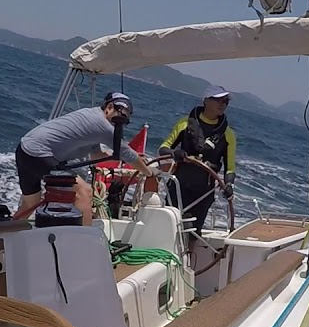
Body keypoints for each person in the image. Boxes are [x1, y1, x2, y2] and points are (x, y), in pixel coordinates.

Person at [15, 92, 156, 224]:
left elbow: (97, 155)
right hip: (40, 155)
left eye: (124, 121)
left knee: (31, 203)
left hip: (25, 151)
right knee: (84, 192)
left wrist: (123, 159)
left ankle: (9, 230)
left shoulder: (92, 117)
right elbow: (129, 155)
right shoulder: (103, 127)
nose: (120, 123)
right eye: (121, 116)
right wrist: (149, 172)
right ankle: (86, 238)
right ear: (109, 107)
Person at [158, 85, 238, 239]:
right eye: (219, 100)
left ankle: (188, 253)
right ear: (206, 100)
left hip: (204, 191)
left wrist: (229, 184)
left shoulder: (228, 135)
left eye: (226, 101)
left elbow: (230, 168)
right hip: (178, 185)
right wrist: (175, 154)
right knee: (168, 227)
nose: (223, 104)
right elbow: (163, 149)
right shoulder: (184, 124)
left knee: (193, 234)